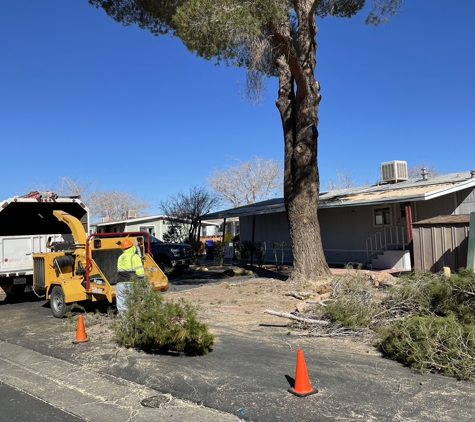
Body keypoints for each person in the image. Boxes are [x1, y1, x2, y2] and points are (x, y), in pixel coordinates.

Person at [116, 238, 144, 312]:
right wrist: (142, 283)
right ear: (132, 247)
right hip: (131, 283)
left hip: (120, 284)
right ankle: (133, 321)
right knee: (133, 304)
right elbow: (140, 272)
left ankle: (125, 322)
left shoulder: (120, 257)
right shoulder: (134, 257)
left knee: (121, 306)